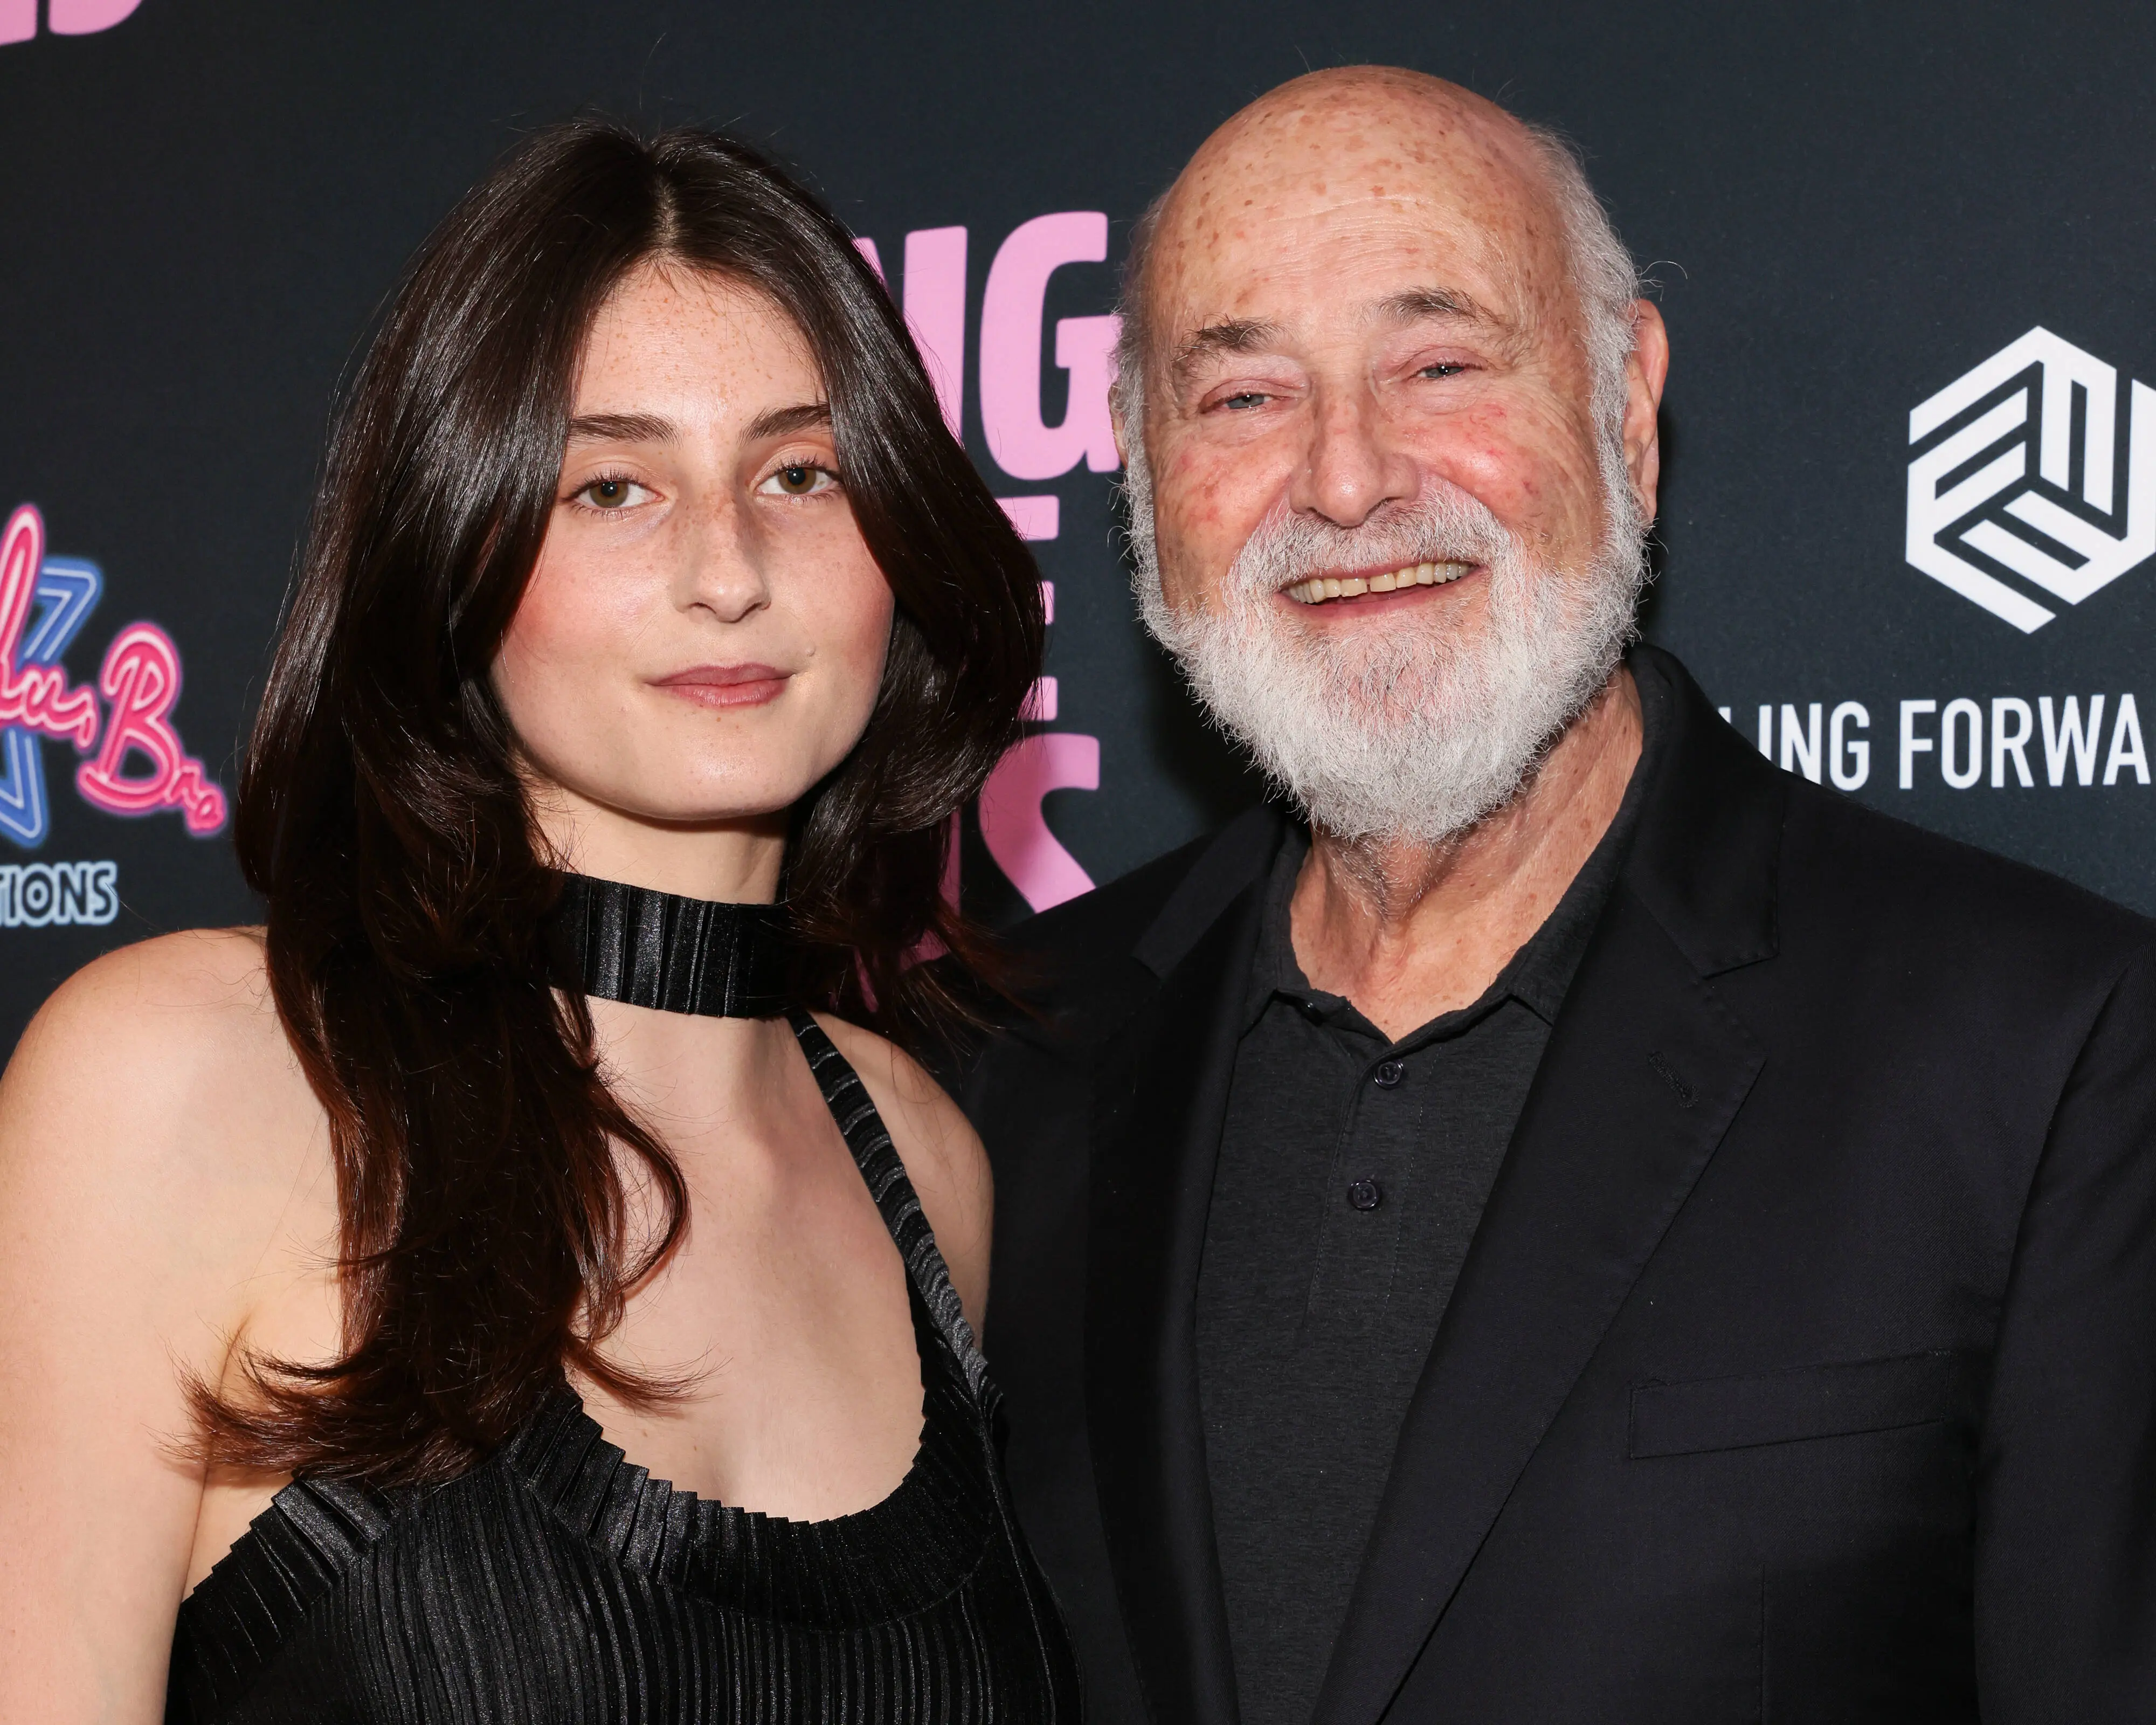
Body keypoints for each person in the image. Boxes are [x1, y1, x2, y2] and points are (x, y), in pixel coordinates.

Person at [951, 66, 2156, 1725]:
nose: (1350, 482)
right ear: (1140, 478)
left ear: (1627, 411)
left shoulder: (2038, 1048)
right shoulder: (1014, 1055)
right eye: (1241, 400)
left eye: (1439, 365)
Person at [0, 121, 1078, 1723]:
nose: (729, 570)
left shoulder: (925, 1163)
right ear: (456, 541)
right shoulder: (186, 1083)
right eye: (613, 486)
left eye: (802, 473)